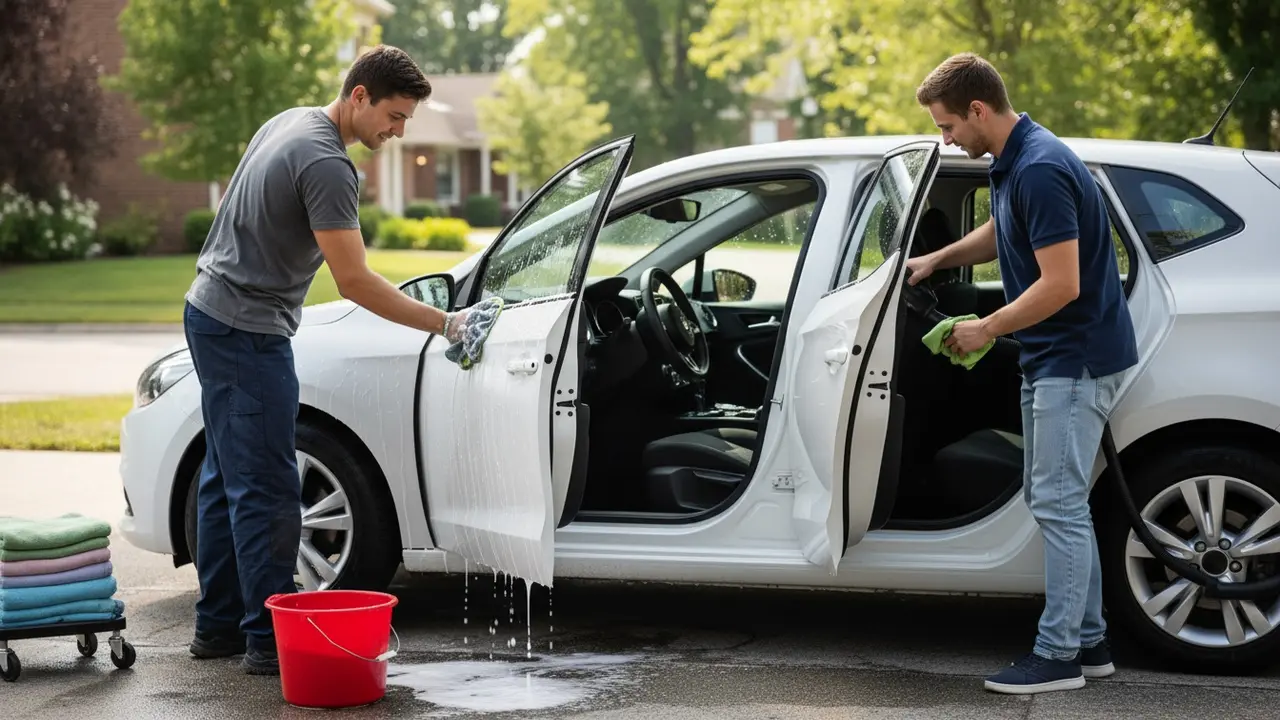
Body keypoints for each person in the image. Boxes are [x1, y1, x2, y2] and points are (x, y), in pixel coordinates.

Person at [181, 44, 502, 675]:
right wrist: (448, 324)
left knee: (226, 480)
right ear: (359, 96)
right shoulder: (328, 164)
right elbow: (352, 281)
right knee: (271, 491)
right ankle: (267, 641)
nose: (399, 130)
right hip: (246, 332)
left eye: (407, 120)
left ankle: (217, 626)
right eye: (395, 115)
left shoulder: (289, 120)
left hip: (209, 311)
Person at [907, 53, 1138, 694]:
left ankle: (1058, 655)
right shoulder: (1016, 162)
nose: (945, 140)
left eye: (948, 126)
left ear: (978, 110)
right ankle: (1089, 644)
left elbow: (1060, 284)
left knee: (1059, 505)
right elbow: (1001, 231)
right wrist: (936, 258)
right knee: (1057, 502)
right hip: (1055, 356)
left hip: (1075, 359)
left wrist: (986, 327)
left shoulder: (1037, 167)